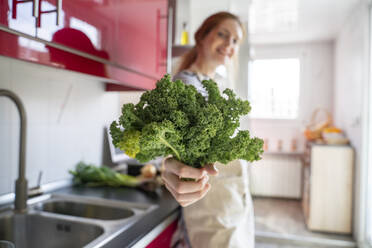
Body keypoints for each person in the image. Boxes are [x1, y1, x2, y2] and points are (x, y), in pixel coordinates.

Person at [161, 12, 255, 248]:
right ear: (202, 36)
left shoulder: (214, 83)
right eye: (222, 34)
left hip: (232, 203)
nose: (228, 45)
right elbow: (181, 147)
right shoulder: (186, 83)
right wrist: (171, 166)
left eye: (235, 40)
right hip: (213, 212)